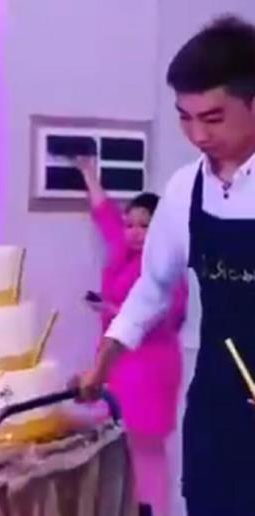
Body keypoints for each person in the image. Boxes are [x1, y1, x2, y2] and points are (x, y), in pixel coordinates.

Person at [76, 15, 255, 515]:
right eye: (184, 118)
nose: (197, 135)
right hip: (217, 397)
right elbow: (152, 290)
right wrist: (103, 363)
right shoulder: (183, 190)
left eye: (213, 118)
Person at [75, 156, 187, 516]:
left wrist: (111, 309)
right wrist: (88, 173)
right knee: (117, 448)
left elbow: (165, 316)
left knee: (146, 450)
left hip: (150, 369)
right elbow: (106, 217)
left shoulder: (166, 267)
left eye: (144, 226)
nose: (135, 232)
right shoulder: (122, 252)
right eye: (131, 225)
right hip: (118, 366)